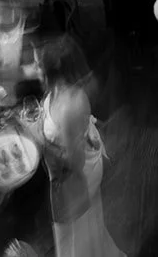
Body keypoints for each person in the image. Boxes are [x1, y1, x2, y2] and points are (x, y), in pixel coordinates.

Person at [37, 35, 125, 257]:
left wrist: (40, 142)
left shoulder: (69, 107)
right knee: (85, 230)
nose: (35, 70)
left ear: (54, 73)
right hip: (70, 170)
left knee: (76, 237)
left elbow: (76, 162)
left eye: (39, 66)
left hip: (78, 179)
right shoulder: (62, 87)